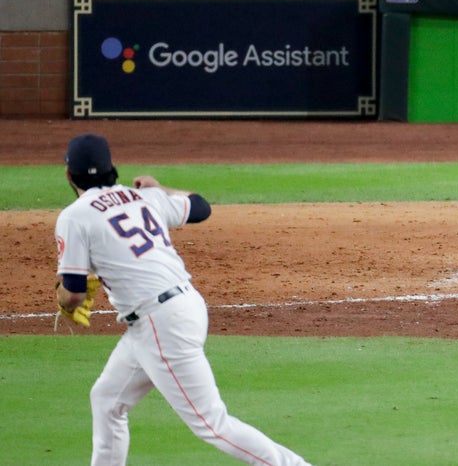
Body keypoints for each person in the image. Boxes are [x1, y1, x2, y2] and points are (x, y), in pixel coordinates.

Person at [54, 134, 313, 465]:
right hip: (179, 308)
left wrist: (62, 298)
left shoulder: (75, 216)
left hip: (160, 323)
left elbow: (73, 292)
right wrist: (161, 189)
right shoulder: (144, 197)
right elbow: (201, 207)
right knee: (107, 400)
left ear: (68, 174)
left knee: (213, 424)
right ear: (112, 169)